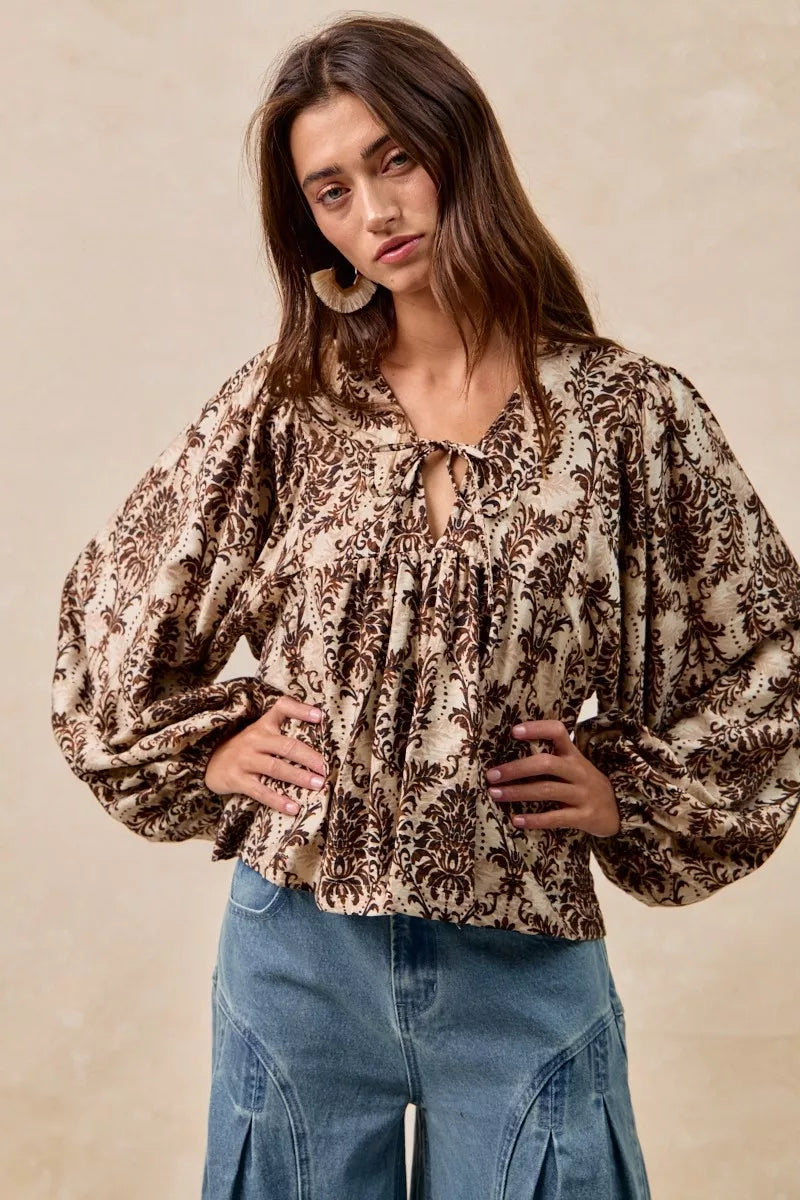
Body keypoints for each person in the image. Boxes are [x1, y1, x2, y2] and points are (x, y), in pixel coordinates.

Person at [50, 14, 800, 1200]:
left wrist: (628, 794)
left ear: (458, 147)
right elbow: (114, 612)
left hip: (521, 956)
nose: (374, 212)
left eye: (393, 159)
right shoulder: (286, 407)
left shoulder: (625, 413)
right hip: (296, 955)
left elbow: (763, 652)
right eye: (332, 190)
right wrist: (206, 748)